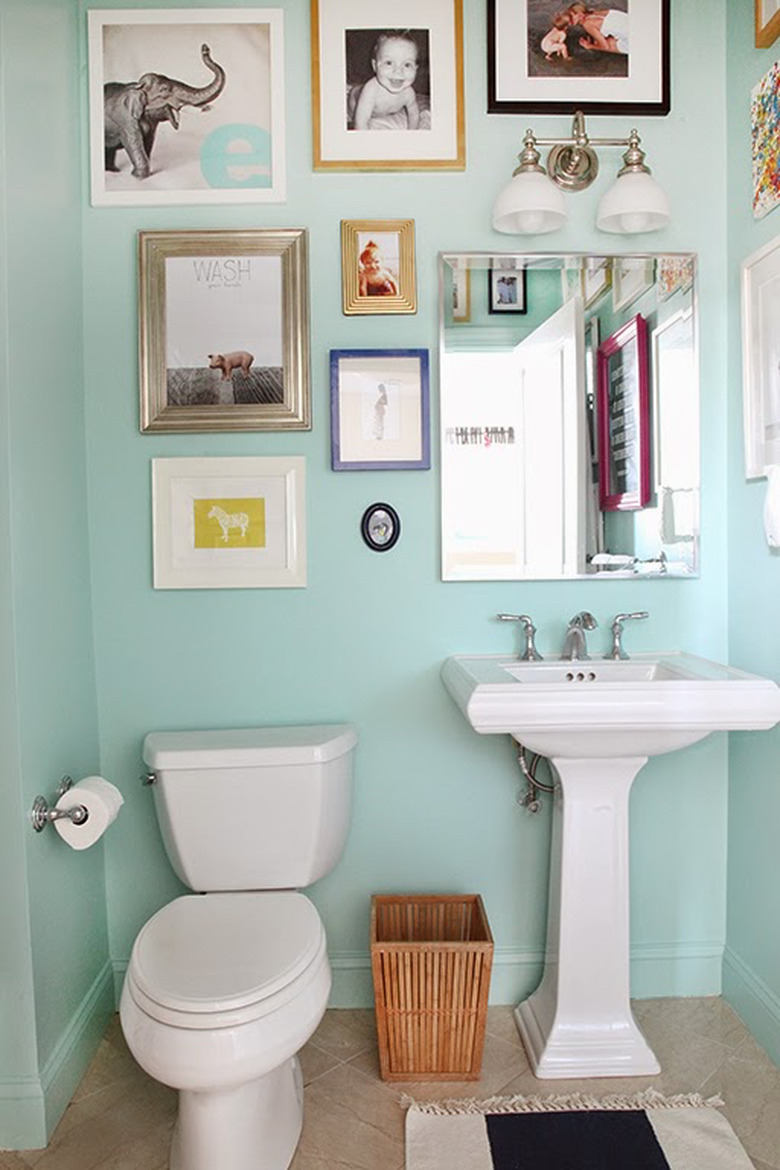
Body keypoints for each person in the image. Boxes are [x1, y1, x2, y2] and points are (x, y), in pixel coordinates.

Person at [349, 30, 421, 130]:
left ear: (416, 69)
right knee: (353, 117)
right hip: (355, 98)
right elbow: (360, 123)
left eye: (407, 65)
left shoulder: (409, 93)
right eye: (389, 63)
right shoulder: (371, 91)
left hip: (382, 111)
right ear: (375, 66)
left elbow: (414, 115)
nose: (398, 71)